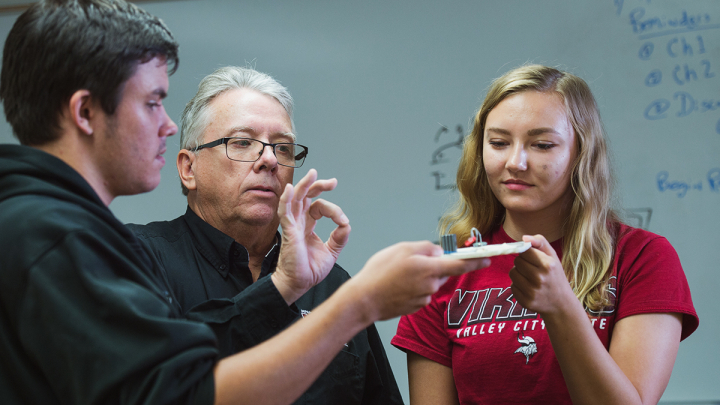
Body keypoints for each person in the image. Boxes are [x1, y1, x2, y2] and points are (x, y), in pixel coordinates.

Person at [0, 1, 491, 404]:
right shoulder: (73, 241)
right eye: (152, 102)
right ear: (85, 112)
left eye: (282, 147)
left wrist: (294, 290)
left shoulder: (322, 277)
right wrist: (359, 304)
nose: (166, 125)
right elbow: (184, 392)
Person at [392, 65, 699, 405]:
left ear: (581, 154)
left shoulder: (642, 257)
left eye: (541, 144)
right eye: (498, 142)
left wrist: (561, 308)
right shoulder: (444, 271)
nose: (515, 161)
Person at [126, 66, 403, 404]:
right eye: (242, 142)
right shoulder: (135, 258)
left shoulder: (330, 285)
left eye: (283, 148)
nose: (269, 160)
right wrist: (281, 287)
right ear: (188, 168)